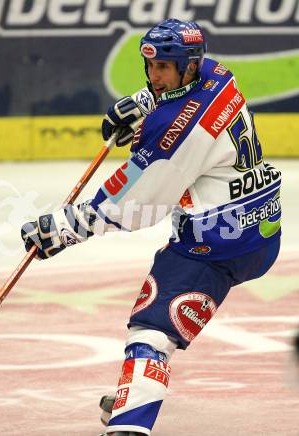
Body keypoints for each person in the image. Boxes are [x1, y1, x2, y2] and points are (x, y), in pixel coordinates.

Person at [21, 18, 282, 436]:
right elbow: (183, 97)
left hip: (214, 243)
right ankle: (136, 390)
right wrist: (142, 102)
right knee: (166, 323)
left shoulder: (173, 132)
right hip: (261, 226)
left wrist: (63, 229)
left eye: (165, 68)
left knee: (152, 329)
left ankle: (128, 425)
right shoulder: (217, 73)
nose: (155, 77)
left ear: (188, 66)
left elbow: (134, 207)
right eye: (152, 67)